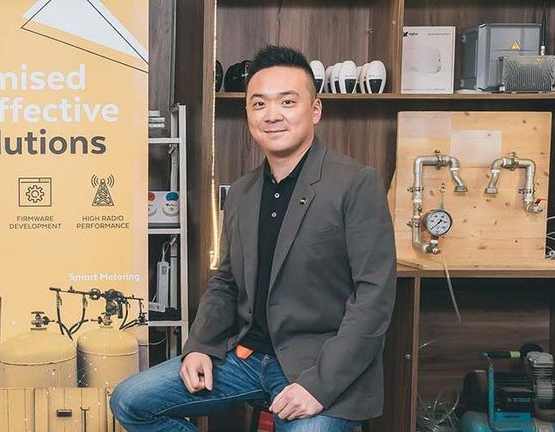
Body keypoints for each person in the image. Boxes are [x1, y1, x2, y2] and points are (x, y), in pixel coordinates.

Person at [110, 45, 397, 432]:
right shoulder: (243, 192)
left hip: (318, 365)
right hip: (246, 357)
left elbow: (374, 297)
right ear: (248, 113)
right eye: (259, 104)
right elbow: (226, 281)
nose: (272, 115)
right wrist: (199, 345)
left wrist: (318, 386)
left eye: (287, 102)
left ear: (315, 110)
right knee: (131, 401)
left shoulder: (355, 183)